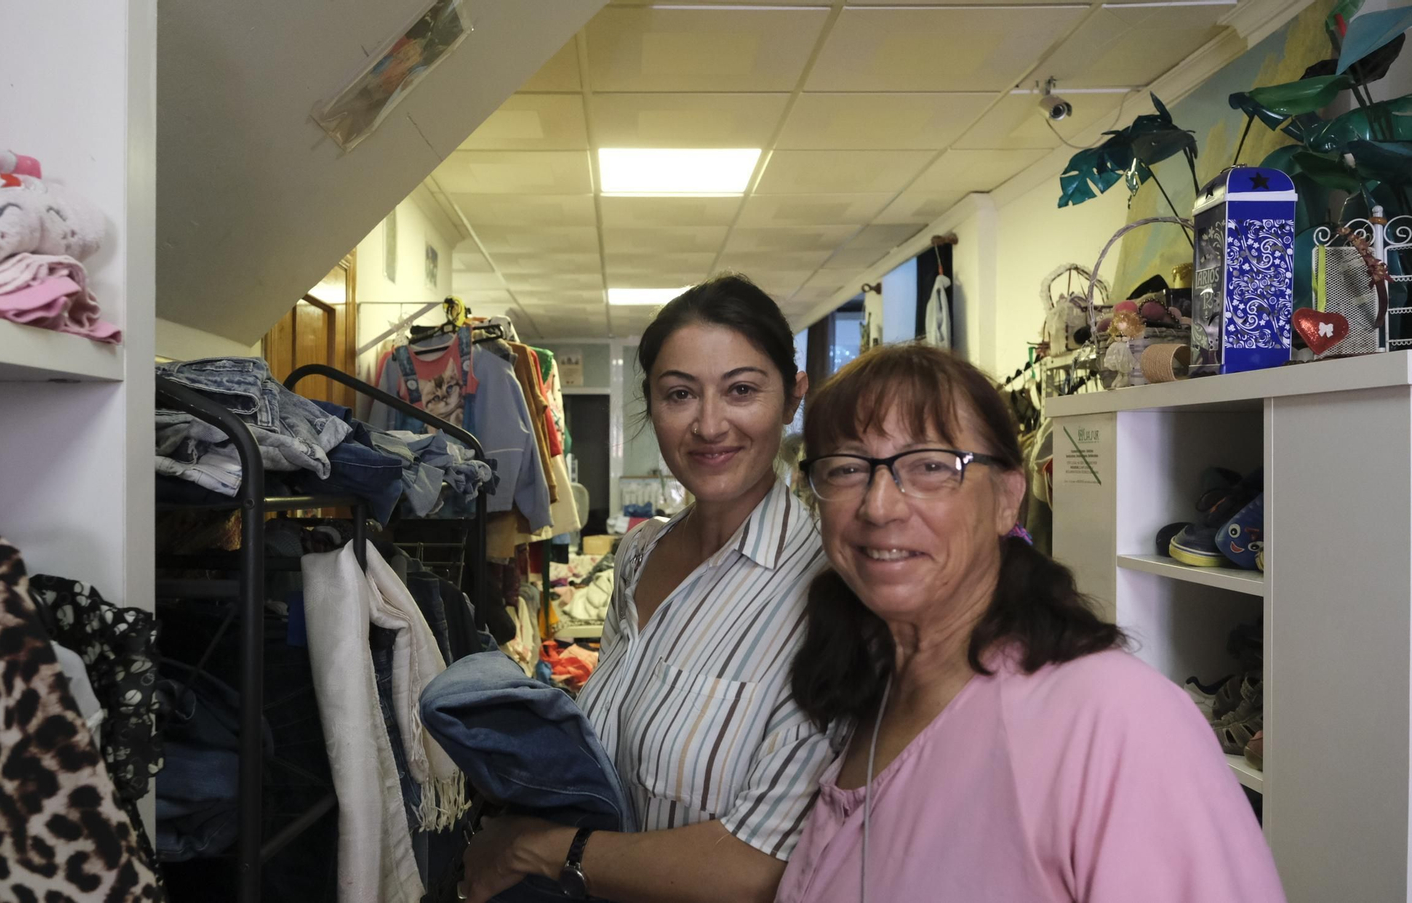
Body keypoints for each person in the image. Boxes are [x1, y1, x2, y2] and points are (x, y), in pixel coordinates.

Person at [776, 343, 1285, 902]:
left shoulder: (1115, 719)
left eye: (930, 466)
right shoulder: (865, 691)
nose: (879, 506)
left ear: (1007, 498)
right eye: (848, 468)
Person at [459, 276, 834, 903]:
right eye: (680, 394)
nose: (709, 425)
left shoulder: (827, 594)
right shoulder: (640, 553)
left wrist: (542, 849)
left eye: (742, 390)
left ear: (793, 398)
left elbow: (755, 868)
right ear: (652, 405)